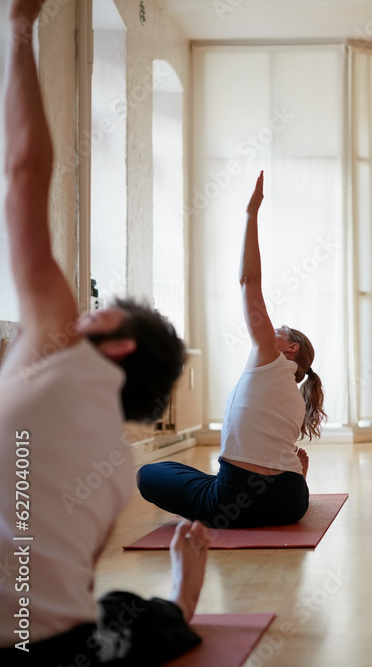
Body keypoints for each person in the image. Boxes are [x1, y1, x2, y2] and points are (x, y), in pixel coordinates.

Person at [0, 2, 206, 663]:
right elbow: (72, 585)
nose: (80, 309)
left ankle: (177, 599)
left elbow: (25, 174)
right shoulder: (118, 472)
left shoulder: (57, 349)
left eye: (99, 313)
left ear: (114, 346)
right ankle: (180, 597)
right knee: (123, 613)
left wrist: (21, 28)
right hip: (55, 646)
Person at [137, 172, 326, 529]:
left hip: (235, 502)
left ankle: (251, 482)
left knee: (149, 472)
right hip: (291, 501)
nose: (271, 329)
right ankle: (294, 478)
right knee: (198, 476)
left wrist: (251, 214)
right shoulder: (295, 395)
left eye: (279, 329)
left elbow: (248, 282)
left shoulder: (269, 358)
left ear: (290, 346)